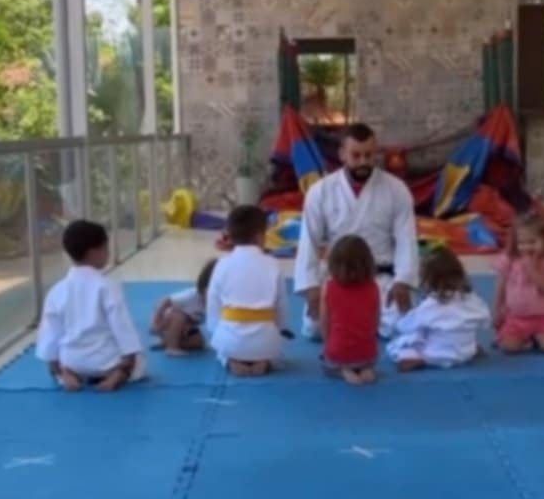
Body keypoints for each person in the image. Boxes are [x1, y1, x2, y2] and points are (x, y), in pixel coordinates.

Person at [293, 121, 420, 340]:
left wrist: (404, 281)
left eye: (369, 155)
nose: (363, 162)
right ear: (342, 154)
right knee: (314, 328)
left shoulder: (396, 190)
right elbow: (309, 241)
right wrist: (311, 287)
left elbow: (406, 239)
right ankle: (359, 324)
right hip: (336, 278)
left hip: (379, 277)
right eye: (356, 155)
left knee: (401, 323)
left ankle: (358, 323)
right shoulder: (320, 191)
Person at [36, 218, 146, 391]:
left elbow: (51, 334)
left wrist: (55, 367)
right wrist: (128, 361)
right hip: (106, 362)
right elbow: (122, 327)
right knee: (140, 361)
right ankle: (115, 376)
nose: (108, 254)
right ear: (95, 252)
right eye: (106, 249)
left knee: (65, 358)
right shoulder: (108, 286)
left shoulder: (56, 291)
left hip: (72, 361)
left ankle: (66, 375)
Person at [206, 204, 290, 376]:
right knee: (273, 346)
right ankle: (265, 362)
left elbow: (213, 308)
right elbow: (282, 309)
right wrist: (280, 331)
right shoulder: (273, 265)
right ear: (260, 236)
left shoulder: (222, 265)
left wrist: (218, 334)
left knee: (222, 344)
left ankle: (230, 360)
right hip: (265, 342)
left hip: (230, 340)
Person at [387, 248, 490, 371]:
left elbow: (405, 326)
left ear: (428, 279)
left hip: (436, 355)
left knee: (403, 342)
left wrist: (404, 309)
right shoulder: (471, 299)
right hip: (465, 353)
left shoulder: (432, 305)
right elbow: (485, 321)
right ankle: (468, 346)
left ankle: (415, 358)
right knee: (458, 331)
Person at [493, 211, 544, 354]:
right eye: (521, 243)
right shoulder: (510, 259)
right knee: (509, 348)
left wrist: (532, 269)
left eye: (532, 242)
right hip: (516, 317)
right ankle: (519, 336)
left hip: (543, 319)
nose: (526, 247)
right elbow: (501, 285)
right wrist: (497, 310)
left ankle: (535, 337)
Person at [320, 234, 380, 385]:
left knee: (325, 362)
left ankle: (343, 371)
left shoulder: (328, 288)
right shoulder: (374, 287)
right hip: (368, 354)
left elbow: (324, 323)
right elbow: (376, 321)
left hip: (338, 353)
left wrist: (327, 346)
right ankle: (366, 369)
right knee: (365, 356)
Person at [150, 259, 216, 355]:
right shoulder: (191, 296)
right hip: (168, 321)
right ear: (202, 288)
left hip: (186, 325)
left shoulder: (217, 302)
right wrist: (156, 322)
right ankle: (172, 347)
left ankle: (167, 342)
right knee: (179, 316)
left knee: (198, 343)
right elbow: (166, 301)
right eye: (209, 292)